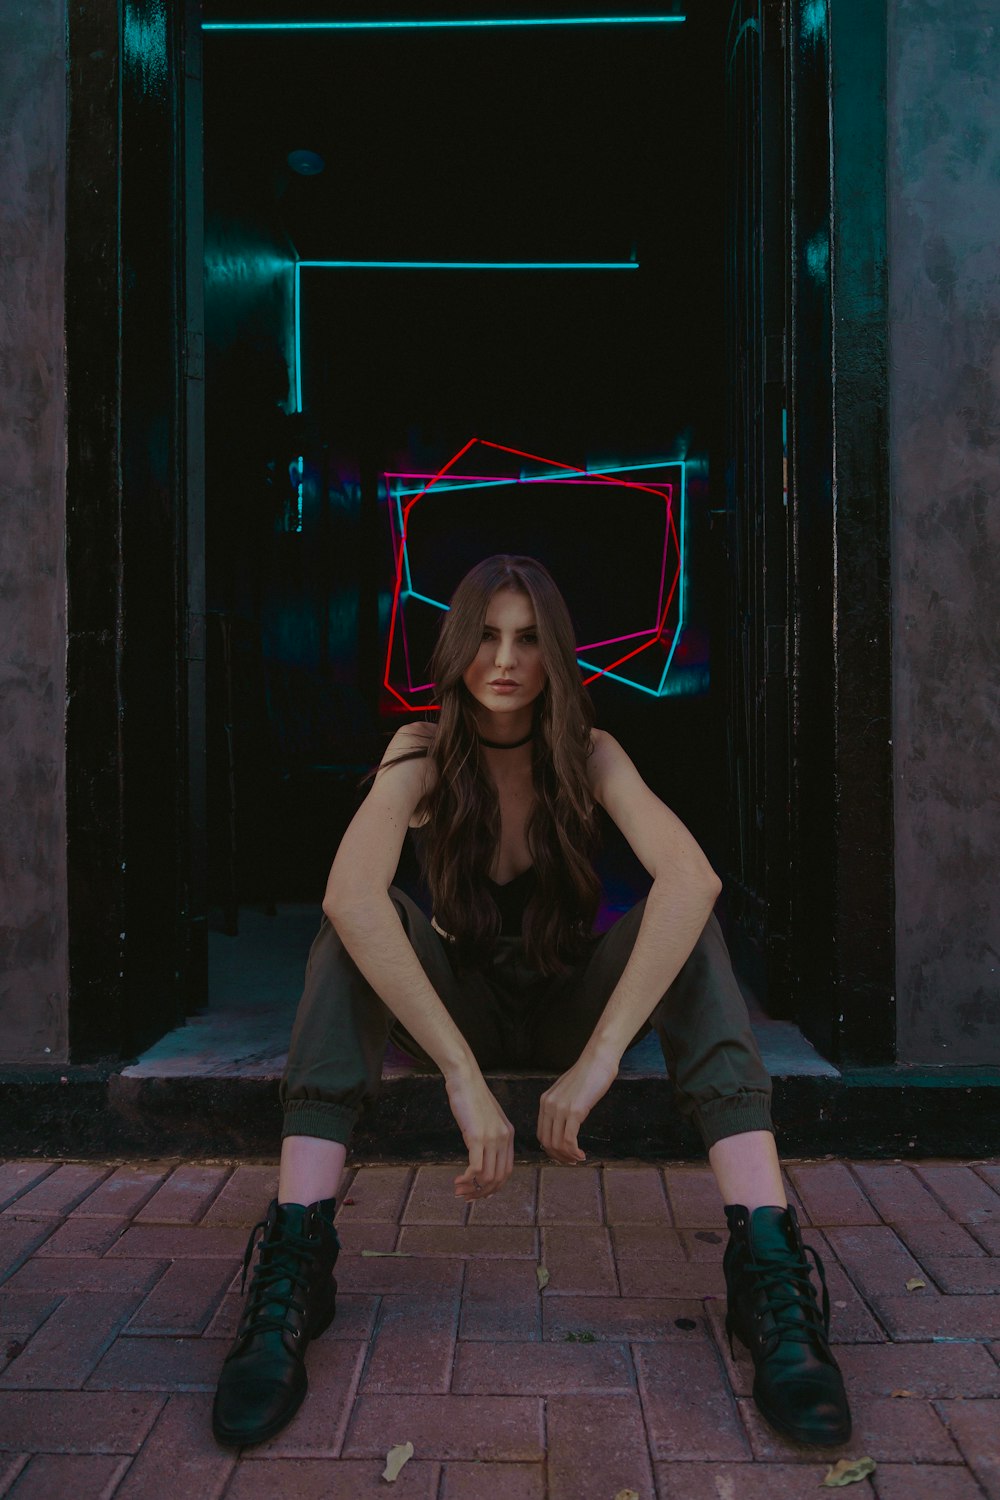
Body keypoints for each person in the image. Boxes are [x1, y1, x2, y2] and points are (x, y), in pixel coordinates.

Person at [211, 554, 851, 1451]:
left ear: (553, 654)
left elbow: (692, 877)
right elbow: (350, 895)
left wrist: (597, 1062)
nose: (503, 659)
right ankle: (295, 1256)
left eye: (524, 638)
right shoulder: (421, 750)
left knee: (690, 924)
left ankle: (769, 1266)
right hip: (460, 1007)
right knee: (355, 922)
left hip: (566, 1006)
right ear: (457, 645)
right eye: (483, 635)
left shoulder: (589, 753)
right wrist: (461, 1076)